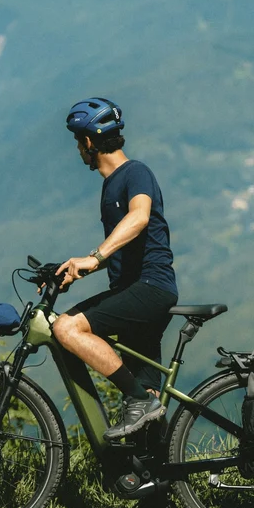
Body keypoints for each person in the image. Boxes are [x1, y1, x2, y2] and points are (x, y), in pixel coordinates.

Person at [49, 97, 177, 439]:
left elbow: (140, 217)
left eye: (78, 142)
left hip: (149, 288)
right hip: (136, 291)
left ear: (89, 142)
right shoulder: (112, 183)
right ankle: (156, 481)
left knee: (67, 329)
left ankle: (139, 399)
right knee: (148, 415)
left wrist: (94, 257)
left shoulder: (135, 172)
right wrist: (72, 271)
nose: (78, 150)